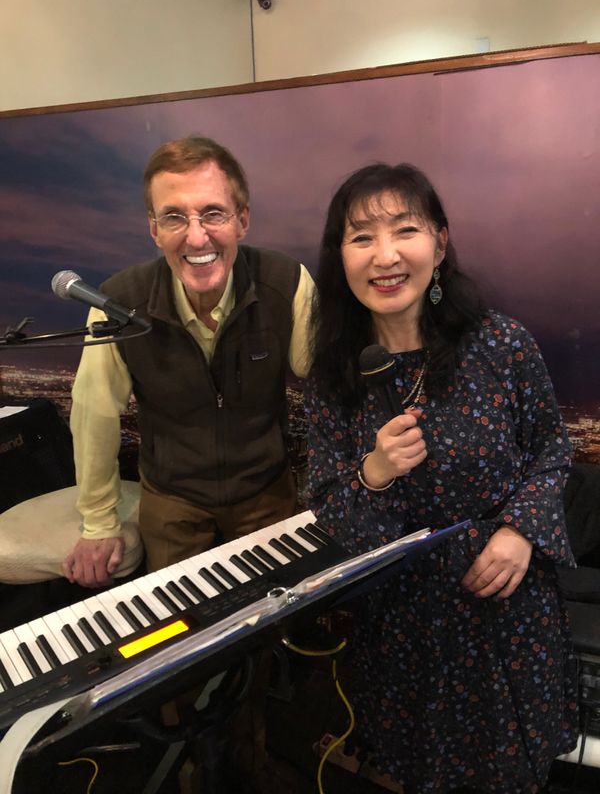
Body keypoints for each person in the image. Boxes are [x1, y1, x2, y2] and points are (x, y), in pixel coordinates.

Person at [304, 162, 578, 794]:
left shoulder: (500, 344)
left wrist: (519, 531)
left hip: (506, 608)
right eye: (362, 237)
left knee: (513, 770)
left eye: (406, 230)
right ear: (340, 256)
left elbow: (551, 450)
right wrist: (374, 472)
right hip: (402, 628)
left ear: (441, 241)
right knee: (419, 768)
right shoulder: (332, 378)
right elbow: (329, 516)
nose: (386, 255)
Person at [63, 134, 314, 586]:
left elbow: (329, 381)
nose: (196, 236)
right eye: (174, 217)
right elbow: (94, 416)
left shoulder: (287, 282)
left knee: (274, 611)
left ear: (242, 220)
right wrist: (98, 524)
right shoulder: (116, 303)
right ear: (154, 230)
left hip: (266, 491)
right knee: (178, 620)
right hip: (171, 498)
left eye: (213, 213)